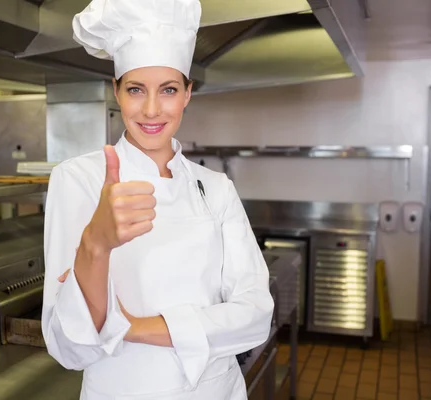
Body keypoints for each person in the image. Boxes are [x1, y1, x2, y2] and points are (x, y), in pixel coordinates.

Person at [41, 0, 275, 398]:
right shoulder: (78, 179)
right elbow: (70, 347)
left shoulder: (215, 187)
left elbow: (256, 317)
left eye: (168, 90)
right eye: (136, 89)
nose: (152, 109)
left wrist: (127, 326)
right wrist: (95, 246)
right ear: (116, 92)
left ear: (187, 94)